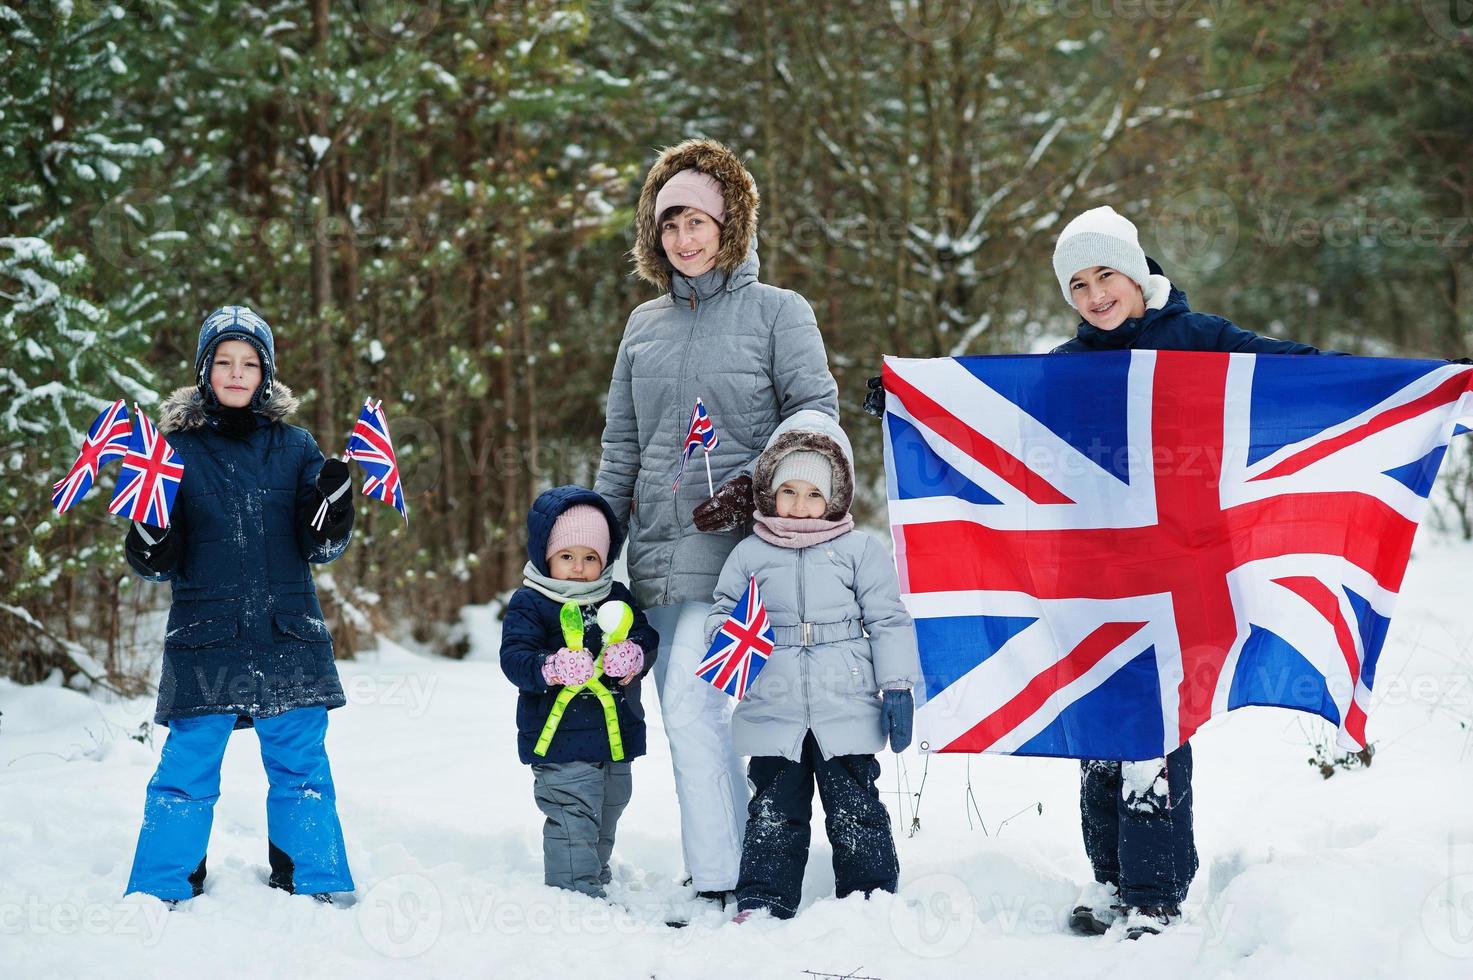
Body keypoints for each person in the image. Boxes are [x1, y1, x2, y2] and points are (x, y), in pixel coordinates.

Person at [1050, 206, 1336, 939]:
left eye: (1104, 274)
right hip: (1095, 575)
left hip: (1178, 571)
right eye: (1077, 284)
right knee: (1097, 733)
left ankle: (1153, 890)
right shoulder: (1063, 367)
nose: (1093, 295)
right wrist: (908, 406)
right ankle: (1108, 876)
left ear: (1136, 272)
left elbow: (1290, 375)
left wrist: (1399, 384)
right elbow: (989, 421)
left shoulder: (1199, 338)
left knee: (1151, 729)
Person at [595, 138, 839, 904]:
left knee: (702, 706)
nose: (684, 239)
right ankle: (737, 865)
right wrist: (596, 542)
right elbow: (622, 445)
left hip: (752, 552)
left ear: (729, 223)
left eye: (698, 222)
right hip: (662, 554)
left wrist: (753, 484)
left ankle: (729, 874)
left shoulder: (779, 312)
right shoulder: (643, 325)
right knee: (691, 712)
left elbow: (816, 417)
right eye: (669, 225)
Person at [123, 305, 356, 903]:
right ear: (204, 371)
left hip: (288, 635)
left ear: (266, 373)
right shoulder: (173, 450)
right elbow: (155, 561)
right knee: (186, 769)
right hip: (207, 635)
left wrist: (332, 505)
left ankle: (314, 879)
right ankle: (163, 885)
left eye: (249, 362)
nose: (235, 372)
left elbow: (321, 545)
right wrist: (149, 529)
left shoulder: (297, 446)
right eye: (223, 361)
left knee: (302, 769)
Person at [705, 410, 919, 921]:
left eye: (814, 494)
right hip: (772, 701)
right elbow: (720, 612)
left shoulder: (859, 550)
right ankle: (764, 898)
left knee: (856, 808)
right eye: (789, 492)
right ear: (769, 493)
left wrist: (897, 686)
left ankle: (871, 898)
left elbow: (888, 619)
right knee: (775, 811)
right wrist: (729, 634)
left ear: (835, 498)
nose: (800, 506)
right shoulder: (749, 553)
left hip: (843, 699)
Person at [499, 488, 659, 899]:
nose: (578, 568)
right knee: (574, 815)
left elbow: (645, 633)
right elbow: (515, 658)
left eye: (590, 557)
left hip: (613, 733)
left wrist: (634, 653)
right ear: (545, 554)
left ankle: (595, 875)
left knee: (610, 806)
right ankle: (574, 895)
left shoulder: (616, 597)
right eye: (566, 556)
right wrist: (550, 667)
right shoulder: (532, 602)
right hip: (559, 738)